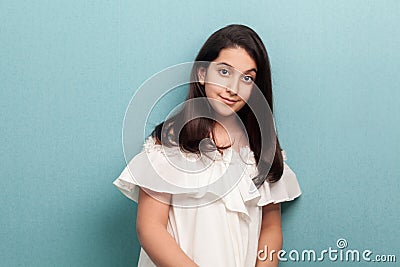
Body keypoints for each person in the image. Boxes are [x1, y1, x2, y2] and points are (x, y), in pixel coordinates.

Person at [113, 24, 302, 267]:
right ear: (202, 74)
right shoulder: (171, 142)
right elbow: (150, 228)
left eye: (247, 78)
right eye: (224, 72)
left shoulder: (260, 151)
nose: (233, 89)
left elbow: (271, 228)